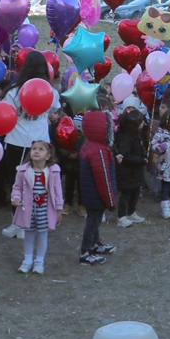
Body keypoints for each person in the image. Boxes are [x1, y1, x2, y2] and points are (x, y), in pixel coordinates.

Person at [0, 52, 59, 235]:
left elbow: (4, 112)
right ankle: (33, 222)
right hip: (40, 144)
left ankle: (18, 223)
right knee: (38, 184)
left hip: (16, 141)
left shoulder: (13, 91)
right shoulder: (51, 91)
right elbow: (54, 111)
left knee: (16, 183)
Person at [11, 139, 63, 274]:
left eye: (41, 149)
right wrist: (16, 198)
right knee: (28, 235)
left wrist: (59, 210)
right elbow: (17, 187)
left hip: (45, 209)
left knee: (42, 235)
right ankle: (27, 260)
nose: (36, 151)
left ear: (48, 156)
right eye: (34, 148)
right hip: (28, 209)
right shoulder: (23, 171)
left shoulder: (53, 171)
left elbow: (58, 192)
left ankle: (39, 261)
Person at [77, 111, 117, 265]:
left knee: (94, 220)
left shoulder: (89, 145)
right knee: (93, 222)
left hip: (89, 194)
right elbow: (103, 178)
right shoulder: (99, 151)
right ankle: (85, 252)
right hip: (96, 196)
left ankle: (95, 244)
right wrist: (110, 200)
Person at [114, 108, 148, 227]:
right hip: (127, 172)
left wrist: (144, 154)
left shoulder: (137, 135)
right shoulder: (125, 138)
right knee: (126, 194)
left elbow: (140, 149)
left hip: (136, 171)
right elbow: (126, 156)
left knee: (135, 193)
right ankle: (121, 216)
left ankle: (131, 212)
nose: (143, 123)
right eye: (141, 122)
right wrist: (141, 160)